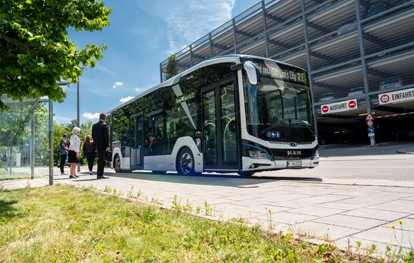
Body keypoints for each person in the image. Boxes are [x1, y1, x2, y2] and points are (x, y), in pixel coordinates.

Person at [92, 112, 109, 179]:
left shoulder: (94, 125)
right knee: (102, 160)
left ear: (99, 117)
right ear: (105, 118)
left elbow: (93, 136)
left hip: (97, 145)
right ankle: (100, 175)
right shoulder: (104, 125)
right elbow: (106, 137)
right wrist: (107, 146)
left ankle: (99, 174)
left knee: (99, 159)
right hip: (103, 145)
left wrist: (95, 144)